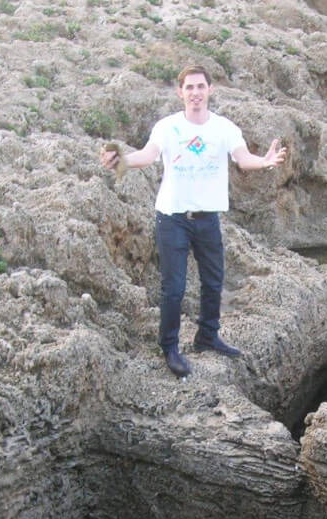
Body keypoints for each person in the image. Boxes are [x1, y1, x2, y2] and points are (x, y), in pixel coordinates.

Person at [100, 64, 287, 378]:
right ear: (180, 92)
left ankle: (208, 336)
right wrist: (122, 160)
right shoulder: (167, 127)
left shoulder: (224, 128)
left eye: (201, 87)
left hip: (207, 218)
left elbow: (243, 158)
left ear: (210, 90)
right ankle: (170, 347)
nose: (196, 93)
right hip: (172, 217)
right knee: (173, 288)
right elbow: (147, 155)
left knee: (213, 281)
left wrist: (265, 162)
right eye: (190, 87)